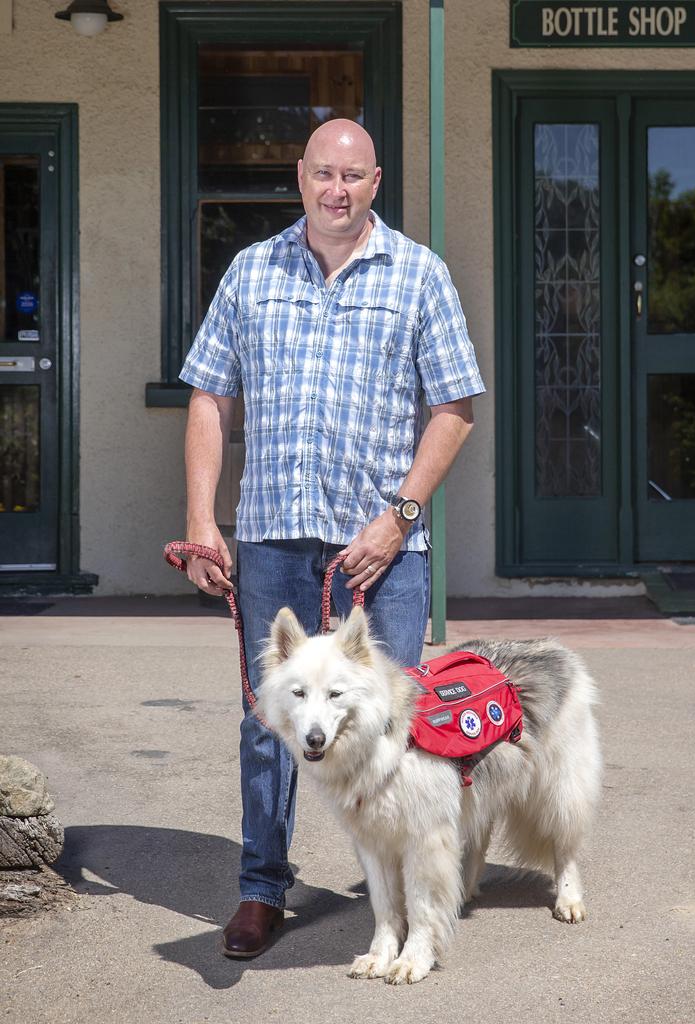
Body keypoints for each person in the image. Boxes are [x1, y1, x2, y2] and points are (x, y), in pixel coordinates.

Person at [179, 119, 485, 958]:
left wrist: (401, 518)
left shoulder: (419, 274)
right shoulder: (252, 272)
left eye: (352, 176)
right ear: (301, 178)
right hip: (274, 538)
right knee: (270, 721)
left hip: (378, 551)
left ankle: (417, 892)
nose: (337, 189)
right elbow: (210, 396)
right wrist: (205, 521)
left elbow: (454, 408)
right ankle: (261, 889)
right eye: (323, 174)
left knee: (401, 725)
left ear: (375, 181)